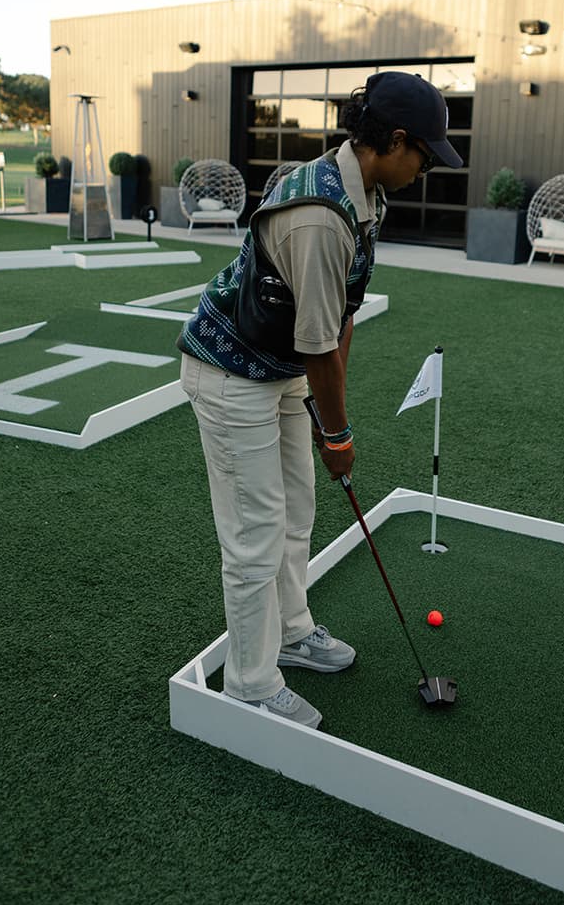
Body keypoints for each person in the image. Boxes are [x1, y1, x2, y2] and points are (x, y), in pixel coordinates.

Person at [177, 71, 463, 730]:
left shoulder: (366, 193)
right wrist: (338, 434)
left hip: (280, 367)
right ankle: (248, 685)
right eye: (423, 152)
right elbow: (317, 342)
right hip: (229, 371)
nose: (425, 167)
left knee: (297, 507)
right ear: (392, 141)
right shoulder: (320, 217)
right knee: (255, 533)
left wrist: (327, 415)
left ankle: (293, 631)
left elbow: (341, 319)